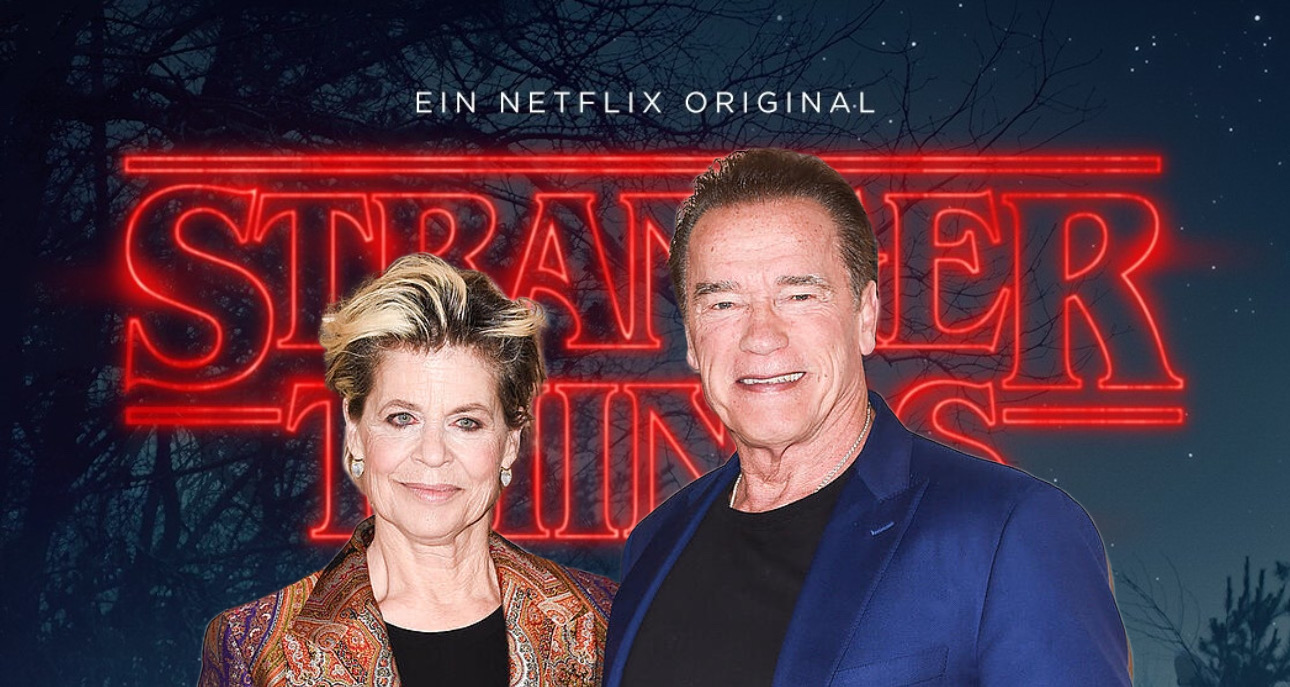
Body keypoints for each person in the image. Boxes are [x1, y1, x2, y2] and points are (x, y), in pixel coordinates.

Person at [603, 149, 1132, 686]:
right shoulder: (655, 544)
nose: (761, 336)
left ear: (866, 315)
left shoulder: (1009, 531)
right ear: (692, 339)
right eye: (723, 304)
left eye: (799, 295)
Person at [199, 253, 614, 687]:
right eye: (402, 418)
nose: (433, 454)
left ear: (510, 442)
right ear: (356, 431)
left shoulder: (603, 621)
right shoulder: (255, 650)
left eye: (466, 422)